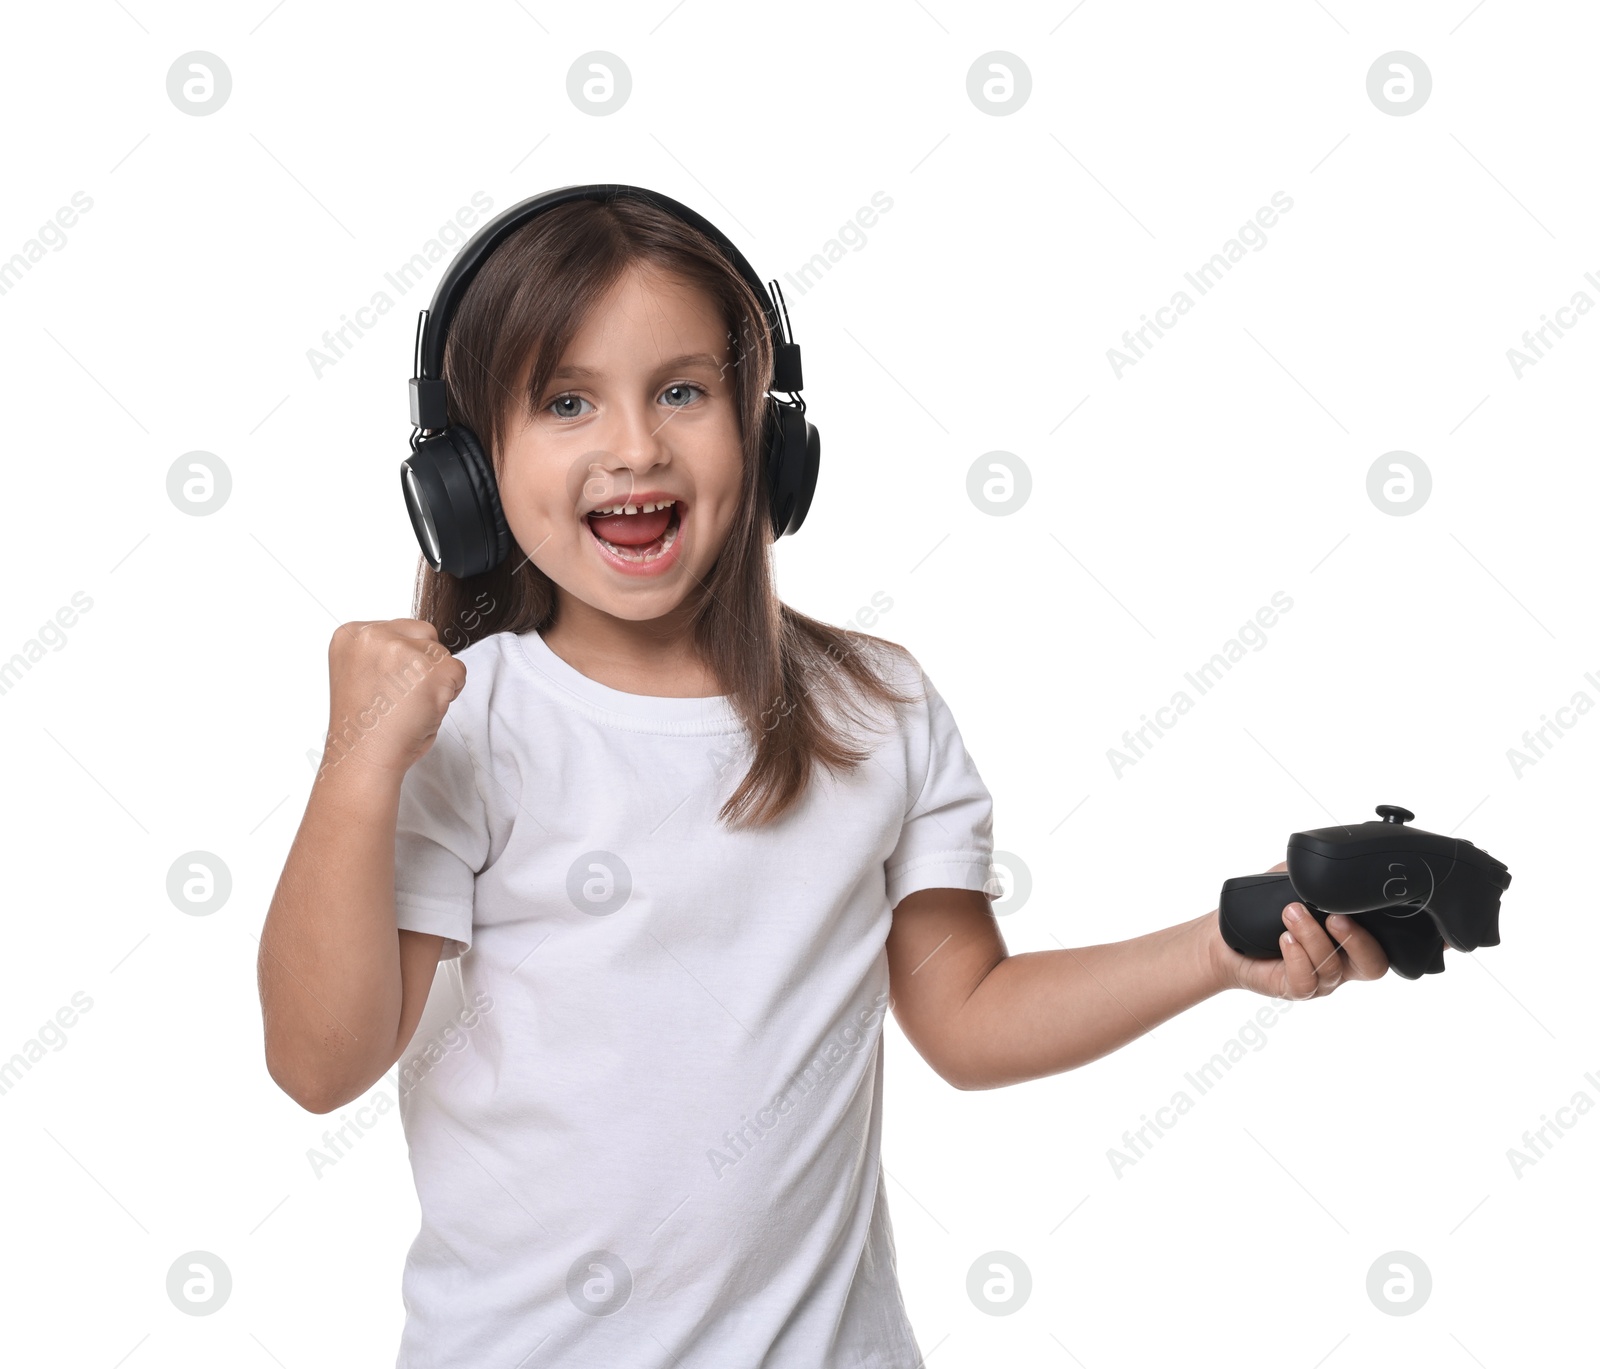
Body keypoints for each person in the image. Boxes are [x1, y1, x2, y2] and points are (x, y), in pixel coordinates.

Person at [257, 192, 1390, 1367]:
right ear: (467, 472)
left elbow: (966, 1015)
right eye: (566, 401)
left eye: (684, 391)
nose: (636, 445)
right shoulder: (465, 722)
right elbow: (318, 1061)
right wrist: (355, 770)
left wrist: (1213, 951)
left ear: (770, 436)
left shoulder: (876, 709)